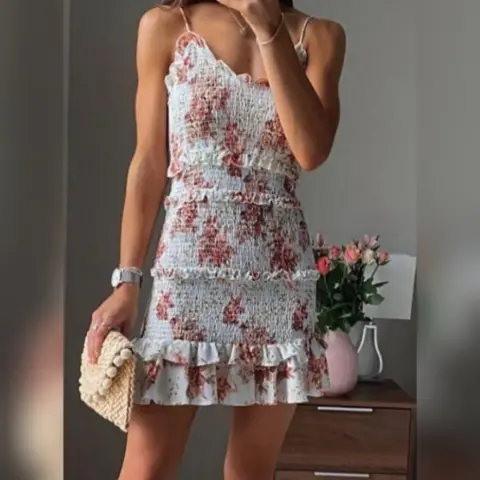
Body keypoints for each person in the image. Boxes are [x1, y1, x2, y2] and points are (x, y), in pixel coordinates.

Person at [88, 0, 346, 478]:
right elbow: (148, 161)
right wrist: (127, 281)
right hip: (188, 273)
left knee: (251, 471)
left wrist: (269, 30)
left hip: (278, 281)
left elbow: (310, 151)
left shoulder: (320, 36)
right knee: (147, 467)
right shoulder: (166, 26)